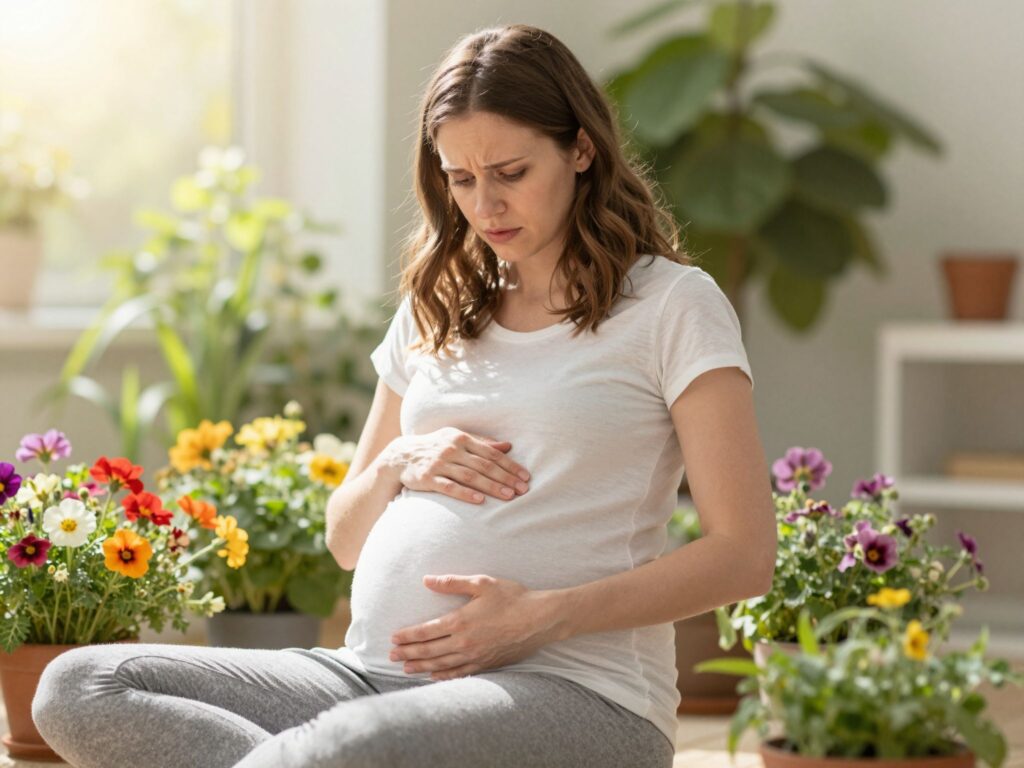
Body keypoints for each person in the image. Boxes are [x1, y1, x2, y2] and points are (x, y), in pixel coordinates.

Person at [32, 23, 776, 768]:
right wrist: (398, 463)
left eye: (511, 172)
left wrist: (540, 619)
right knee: (82, 684)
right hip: (365, 678)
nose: (485, 206)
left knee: (345, 750)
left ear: (581, 149)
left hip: (575, 692)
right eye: (460, 178)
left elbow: (744, 555)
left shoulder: (672, 305)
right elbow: (345, 539)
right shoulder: (440, 304)